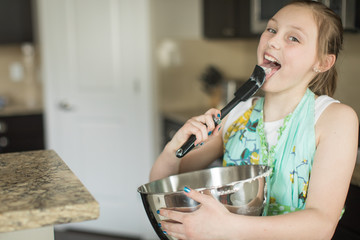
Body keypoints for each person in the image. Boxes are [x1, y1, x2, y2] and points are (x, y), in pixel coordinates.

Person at [149, 1, 359, 239]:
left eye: (294, 38)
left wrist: (226, 228)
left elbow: (321, 226)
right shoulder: (236, 114)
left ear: (322, 62)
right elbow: (163, 186)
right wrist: (173, 148)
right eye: (272, 29)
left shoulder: (334, 119)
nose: (273, 41)